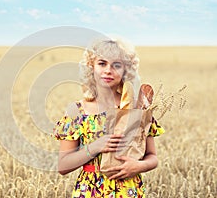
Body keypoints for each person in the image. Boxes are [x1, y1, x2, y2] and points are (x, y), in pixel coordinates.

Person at [53, 38, 165, 197]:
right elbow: (63, 166)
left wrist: (139, 166)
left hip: (129, 191)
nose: (108, 70)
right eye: (102, 63)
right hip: (90, 191)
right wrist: (94, 147)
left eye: (116, 65)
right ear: (91, 67)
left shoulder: (137, 109)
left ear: (126, 70)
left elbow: (152, 157)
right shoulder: (77, 111)